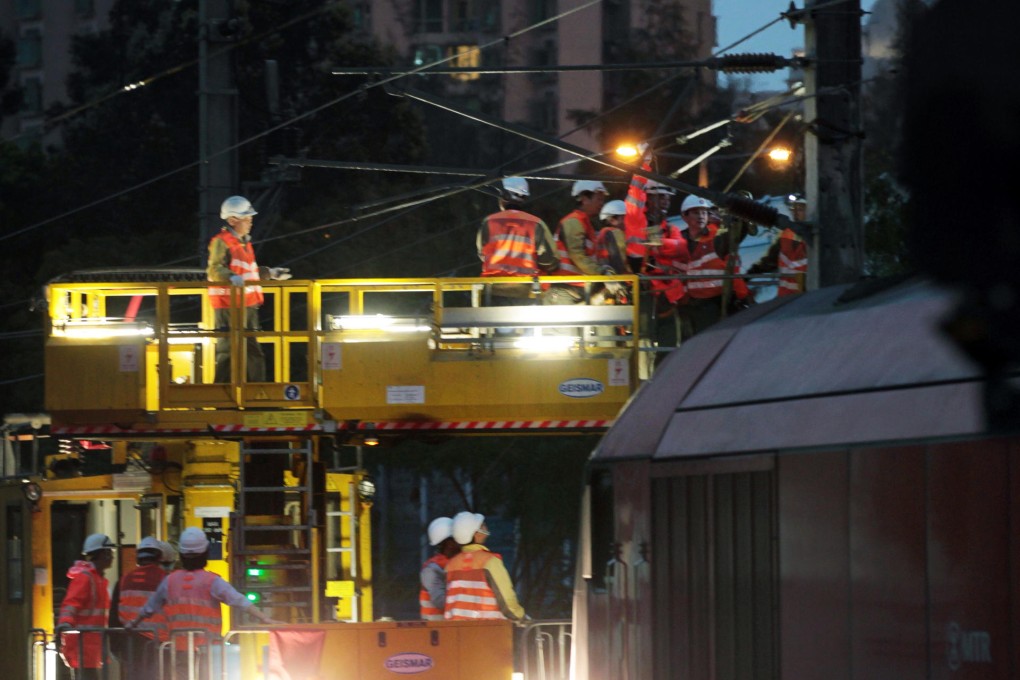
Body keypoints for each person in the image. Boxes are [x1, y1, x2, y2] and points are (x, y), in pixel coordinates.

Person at [128, 527, 275, 680]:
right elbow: (239, 600)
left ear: (182, 555)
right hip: (206, 650)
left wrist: (133, 623)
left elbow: (149, 608)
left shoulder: (170, 581)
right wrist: (264, 618)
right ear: (205, 553)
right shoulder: (212, 581)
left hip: (179, 649)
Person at [207, 195, 292, 383]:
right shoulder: (222, 241)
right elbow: (214, 269)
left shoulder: (244, 244)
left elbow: (248, 273)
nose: (250, 223)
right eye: (247, 219)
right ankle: (221, 397)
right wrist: (231, 277)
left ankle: (256, 394)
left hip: (248, 305)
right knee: (228, 350)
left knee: (254, 351)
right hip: (228, 305)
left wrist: (269, 273)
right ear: (232, 220)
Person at [622, 150, 689, 363]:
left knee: (669, 350)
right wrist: (645, 165)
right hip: (643, 295)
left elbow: (681, 249)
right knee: (642, 349)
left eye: (667, 198)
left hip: (666, 299)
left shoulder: (670, 230)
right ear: (648, 199)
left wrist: (659, 243)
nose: (665, 202)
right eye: (660, 197)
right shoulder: (635, 221)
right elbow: (634, 193)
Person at [675, 194, 751, 339]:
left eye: (704, 212)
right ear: (685, 217)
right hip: (689, 305)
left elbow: (738, 233)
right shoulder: (679, 241)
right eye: (696, 212)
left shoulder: (717, 239)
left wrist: (741, 212)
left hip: (714, 304)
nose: (701, 216)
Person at [477, 177, 559, 304]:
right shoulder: (536, 223)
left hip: (492, 291)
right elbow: (549, 259)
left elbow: (482, 254)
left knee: (491, 323)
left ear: (504, 195)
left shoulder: (489, 222)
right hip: (525, 291)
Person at [444, 511, 525, 622]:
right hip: (487, 631)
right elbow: (507, 602)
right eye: (482, 525)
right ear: (476, 533)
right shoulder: (490, 562)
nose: (486, 527)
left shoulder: (450, 565)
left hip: (455, 632)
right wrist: (521, 616)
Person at [544, 180, 614, 305]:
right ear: (583, 198)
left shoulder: (584, 223)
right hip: (565, 288)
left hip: (573, 287)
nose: (601, 203)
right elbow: (577, 255)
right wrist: (602, 272)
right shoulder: (574, 222)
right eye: (598, 199)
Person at [56, 533, 115, 680]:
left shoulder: (98, 580)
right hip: (83, 645)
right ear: (103, 554)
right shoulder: (86, 578)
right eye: (110, 552)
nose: (113, 556)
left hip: (91, 645)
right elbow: (71, 604)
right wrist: (65, 624)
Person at [109, 536, 168, 678]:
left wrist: (115, 646)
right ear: (159, 557)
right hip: (160, 643)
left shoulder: (124, 580)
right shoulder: (166, 579)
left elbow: (114, 616)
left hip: (131, 643)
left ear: (138, 557)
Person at [746, 195, 809, 297]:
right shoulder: (786, 234)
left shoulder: (817, 238)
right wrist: (749, 274)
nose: (795, 213)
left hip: (808, 298)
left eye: (800, 209)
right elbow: (770, 261)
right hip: (786, 296)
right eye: (794, 209)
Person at [419, 516, 460, 620]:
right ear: (449, 543)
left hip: (449, 629)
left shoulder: (455, 564)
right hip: (436, 630)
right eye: (457, 539)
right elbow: (440, 602)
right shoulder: (432, 570)